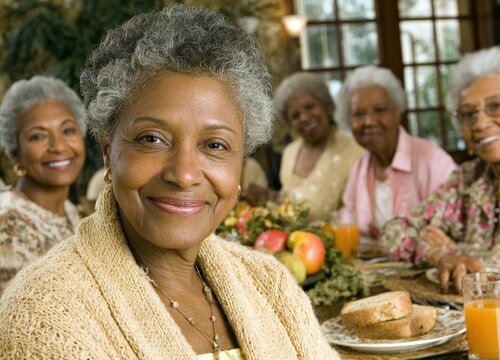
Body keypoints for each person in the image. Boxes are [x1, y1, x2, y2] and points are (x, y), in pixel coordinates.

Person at [0, 5, 339, 359]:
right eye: (152, 139)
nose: (184, 174)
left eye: (215, 145)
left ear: (240, 165)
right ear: (107, 153)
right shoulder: (45, 310)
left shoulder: (269, 283)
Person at [380, 46, 500, 294]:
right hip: (479, 314)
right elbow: (393, 232)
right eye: (468, 114)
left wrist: (459, 249)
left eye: (496, 105)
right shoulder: (466, 179)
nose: (480, 122)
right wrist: (438, 253)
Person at [335, 66, 456, 254]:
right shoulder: (360, 167)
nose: (369, 121)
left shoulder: (432, 159)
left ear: (397, 112)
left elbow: (450, 228)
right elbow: (347, 225)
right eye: (358, 114)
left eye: (380, 110)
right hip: (373, 270)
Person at [0, 76, 86, 294]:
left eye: (67, 130)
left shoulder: (69, 211)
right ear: (15, 152)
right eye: (38, 136)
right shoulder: (7, 224)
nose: (58, 146)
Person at [275, 72, 364, 220]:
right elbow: (285, 203)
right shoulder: (289, 152)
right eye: (295, 115)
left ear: (325, 105)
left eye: (310, 107)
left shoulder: (355, 152)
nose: (304, 117)